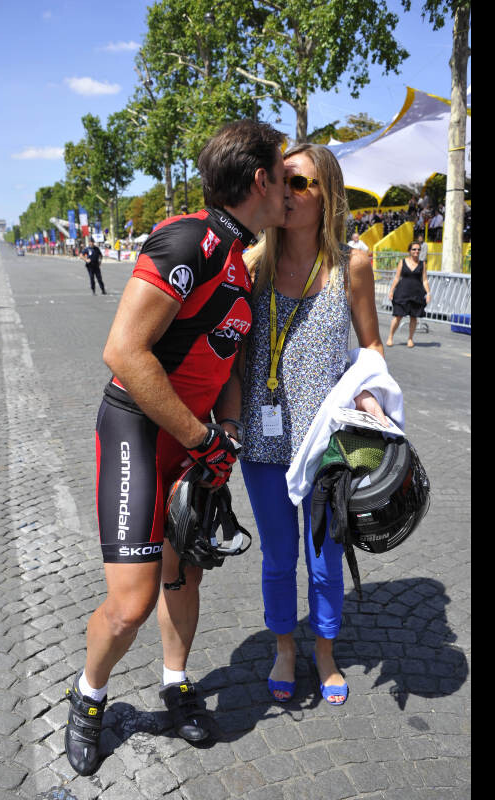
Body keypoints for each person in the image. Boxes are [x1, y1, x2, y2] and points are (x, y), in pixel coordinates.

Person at [64, 119, 290, 777]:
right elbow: (123, 351)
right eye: (283, 179)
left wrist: (228, 436)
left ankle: (175, 680)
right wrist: (201, 438)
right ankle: (89, 694)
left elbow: (227, 363)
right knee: (132, 601)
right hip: (139, 430)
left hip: (195, 444)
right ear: (258, 181)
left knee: (183, 574)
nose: (289, 194)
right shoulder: (189, 238)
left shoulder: (241, 261)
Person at [226, 143, 388, 707]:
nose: (285, 193)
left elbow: (370, 346)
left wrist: (369, 393)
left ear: (327, 196)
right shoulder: (250, 266)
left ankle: (324, 650)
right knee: (278, 557)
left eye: (301, 184)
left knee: (323, 560)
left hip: (327, 443)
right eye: (280, 181)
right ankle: (284, 648)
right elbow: (228, 351)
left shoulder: (353, 265)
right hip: (263, 438)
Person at [386, 241, 431, 348]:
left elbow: (424, 280)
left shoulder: (422, 264)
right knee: (398, 316)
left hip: (416, 293)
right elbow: (397, 277)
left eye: (418, 249)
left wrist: (428, 293)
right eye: (414, 249)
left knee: (414, 317)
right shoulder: (402, 262)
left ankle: (410, 339)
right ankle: (390, 337)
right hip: (402, 292)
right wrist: (391, 291)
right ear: (409, 251)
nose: (416, 251)